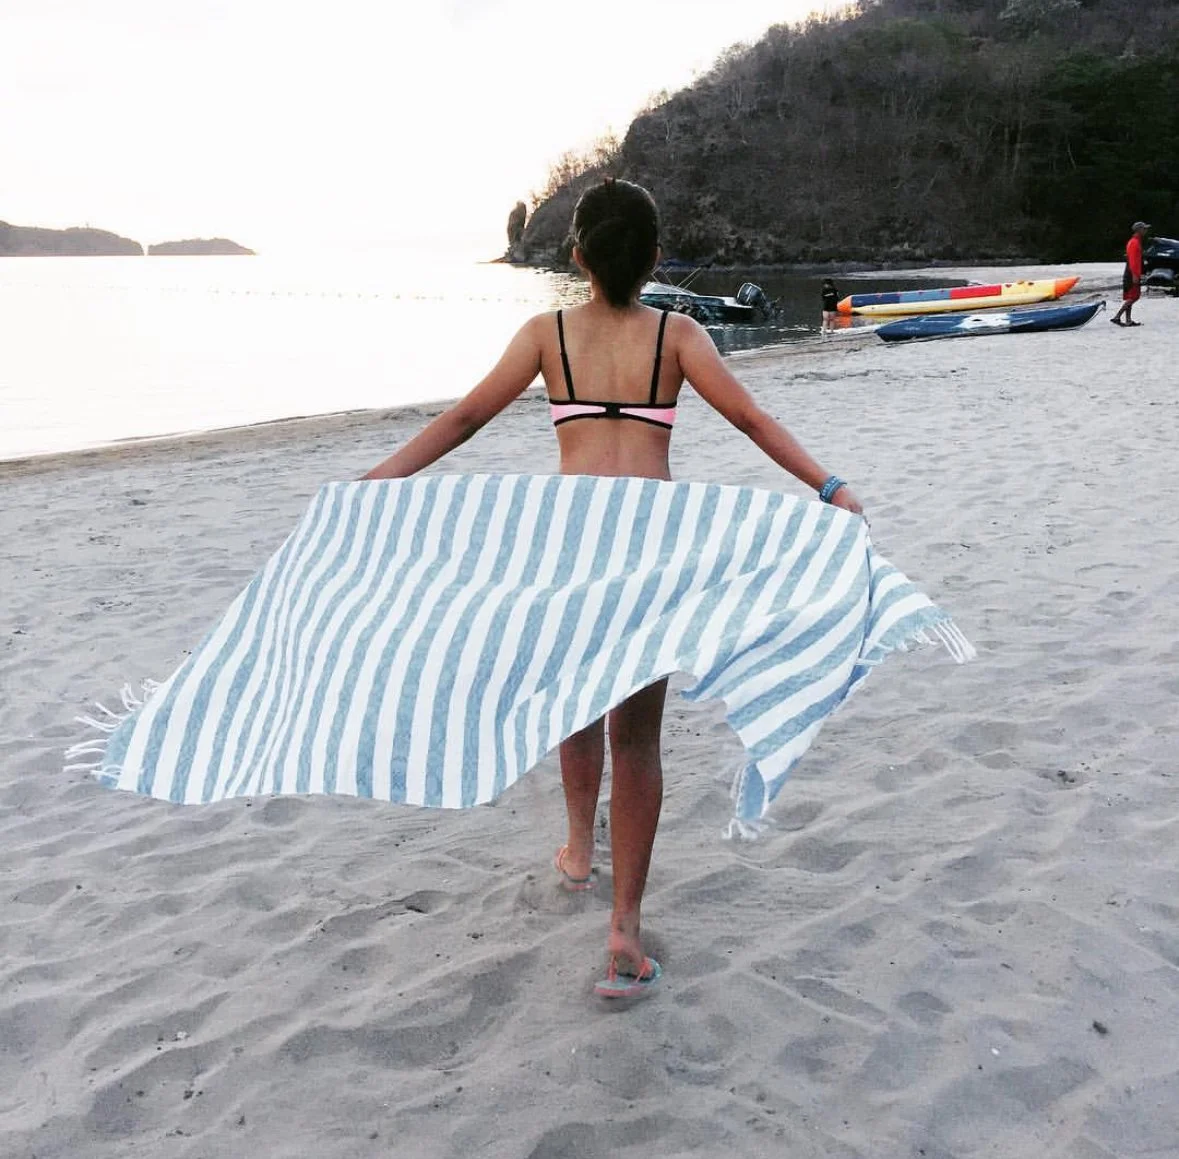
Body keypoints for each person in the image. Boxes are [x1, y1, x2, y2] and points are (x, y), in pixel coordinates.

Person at [362, 179, 862, 998]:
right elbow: (751, 421)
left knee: (574, 706)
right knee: (636, 738)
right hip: (648, 553)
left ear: (577, 254)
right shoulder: (677, 334)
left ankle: (575, 851)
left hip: (570, 548)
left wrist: (375, 482)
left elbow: (459, 422)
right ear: (655, 257)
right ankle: (623, 930)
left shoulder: (545, 334)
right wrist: (829, 484)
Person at [1111, 221, 1150, 326]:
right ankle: (1117, 316)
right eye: (1144, 229)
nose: (1146, 231)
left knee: (1131, 296)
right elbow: (1133, 261)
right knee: (1134, 297)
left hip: (1131, 272)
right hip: (1132, 273)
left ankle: (1128, 320)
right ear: (1139, 230)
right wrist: (1135, 275)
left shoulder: (1134, 241)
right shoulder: (1134, 243)